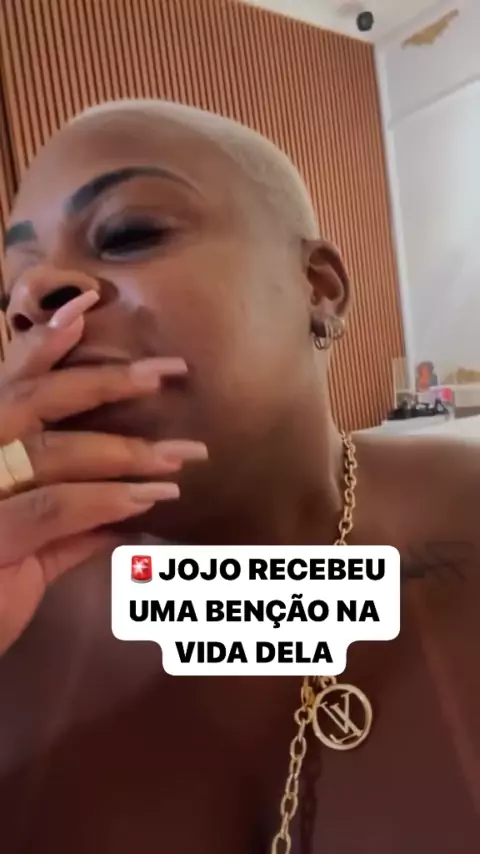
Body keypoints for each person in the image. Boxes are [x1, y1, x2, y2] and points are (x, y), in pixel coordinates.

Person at [0, 100, 478, 854]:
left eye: (129, 233)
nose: (32, 301)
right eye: (11, 293)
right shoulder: (15, 617)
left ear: (318, 289)